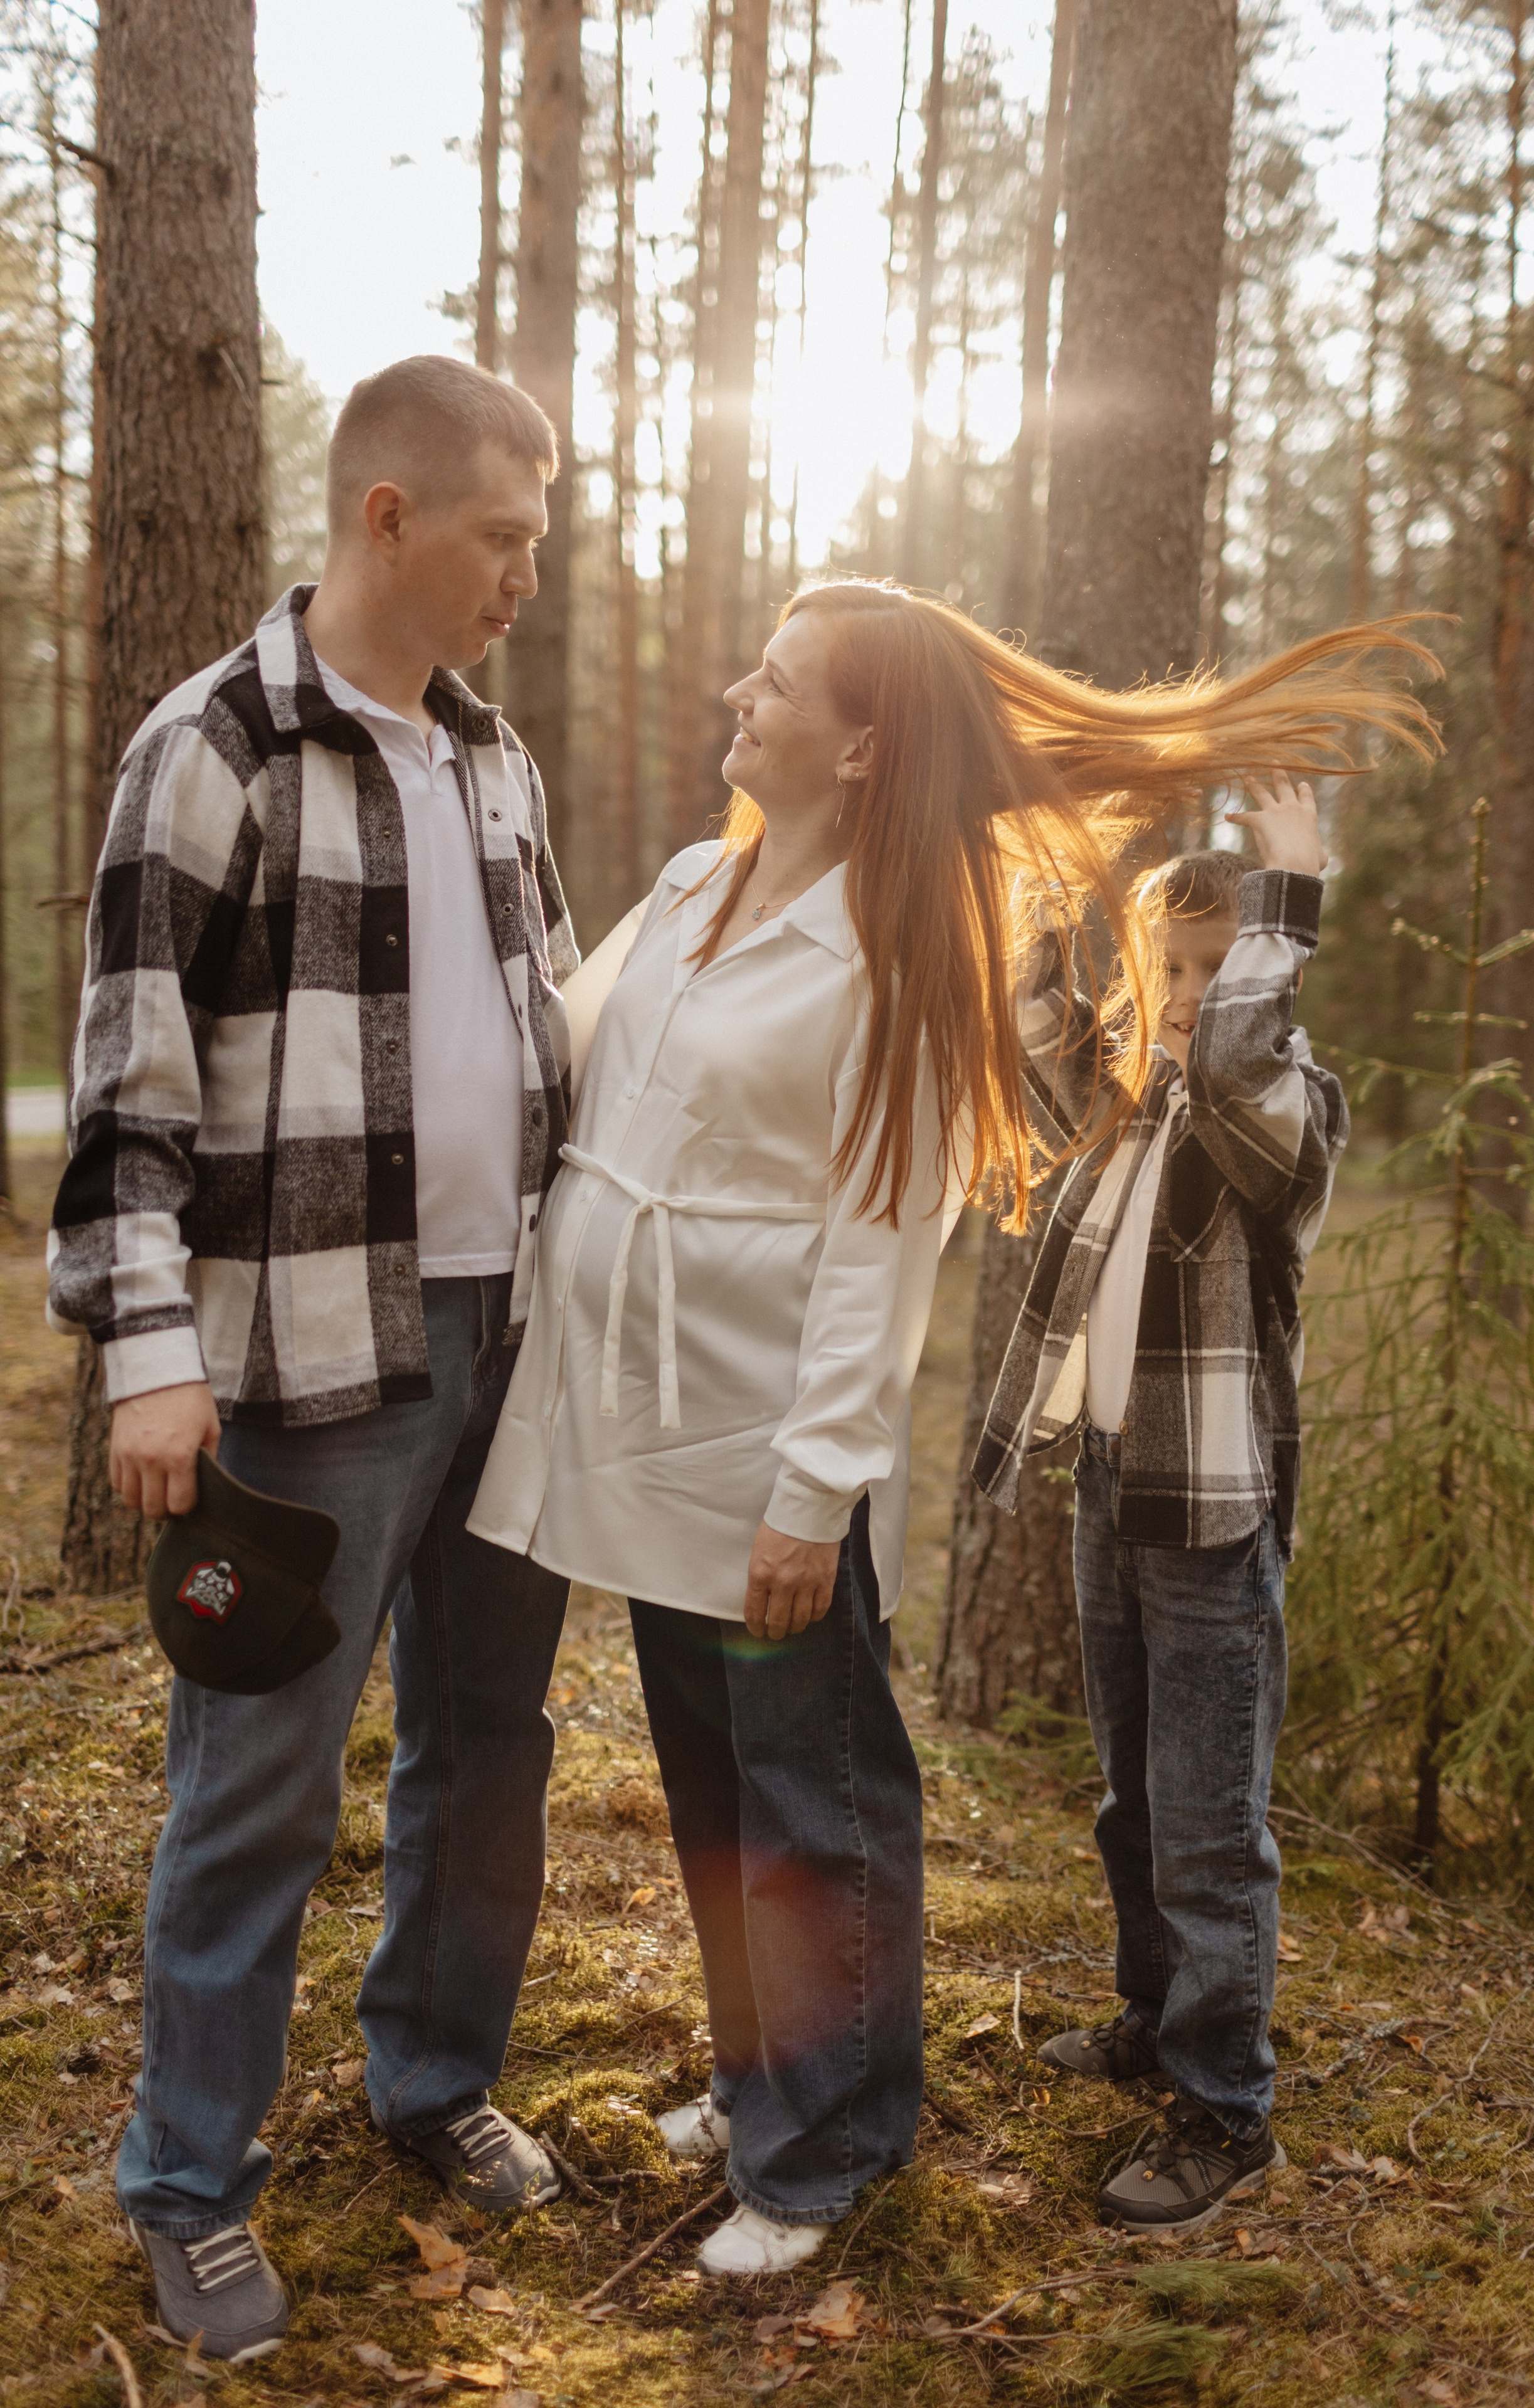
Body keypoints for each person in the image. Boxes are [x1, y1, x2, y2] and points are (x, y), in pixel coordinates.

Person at [470, 580, 1436, 2276]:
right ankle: (763, 2070)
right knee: (713, 1792)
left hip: (766, 1442)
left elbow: (879, 1240)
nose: (735, 694)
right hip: (631, 1417)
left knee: (816, 1801)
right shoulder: (698, 879)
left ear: (860, 743)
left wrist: (816, 1485)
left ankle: (830, 2146)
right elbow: (558, 1058)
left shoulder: (900, 953)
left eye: (772, 682)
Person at [47, 356, 576, 2355]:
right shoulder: (216, 749)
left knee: (488, 1749)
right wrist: (149, 1352)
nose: (527, 577)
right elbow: (127, 1095)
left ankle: (432, 2087)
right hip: (294, 1371)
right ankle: (189, 2184)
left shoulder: (490, 757)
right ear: (388, 520)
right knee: (255, 1787)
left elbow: (540, 1028)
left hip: (502, 1344)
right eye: (503, 538)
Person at [973, 779, 1367, 2234]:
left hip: (1212, 1519)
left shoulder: (1279, 1112)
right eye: (1171, 971)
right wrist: (1044, 897)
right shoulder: (1123, 1108)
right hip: (1111, 1489)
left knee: (1208, 1820)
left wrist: (1291, 882)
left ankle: (1222, 2105)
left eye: (1216, 967)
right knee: (1131, 1798)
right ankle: (1154, 2018)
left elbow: (1246, 1053)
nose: (1191, 999)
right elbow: (1031, 1047)